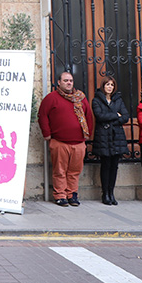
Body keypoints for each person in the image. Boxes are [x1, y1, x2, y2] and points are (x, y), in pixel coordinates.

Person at [37, 71, 94, 207]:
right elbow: (42, 115)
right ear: (59, 82)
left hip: (79, 142)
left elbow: (88, 116)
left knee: (75, 171)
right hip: (59, 142)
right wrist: (47, 134)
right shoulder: (51, 98)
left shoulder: (80, 98)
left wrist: (88, 135)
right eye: (65, 80)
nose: (69, 83)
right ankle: (60, 195)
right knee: (60, 171)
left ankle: (72, 194)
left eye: (71, 81)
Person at [91, 77, 129, 205]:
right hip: (103, 137)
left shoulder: (118, 100)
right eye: (107, 84)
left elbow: (125, 116)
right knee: (106, 165)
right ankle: (105, 193)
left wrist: (113, 120)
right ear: (103, 86)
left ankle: (111, 193)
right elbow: (100, 116)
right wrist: (115, 115)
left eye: (112, 85)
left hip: (116, 136)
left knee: (114, 166)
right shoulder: (96, 100)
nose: (110, 87)